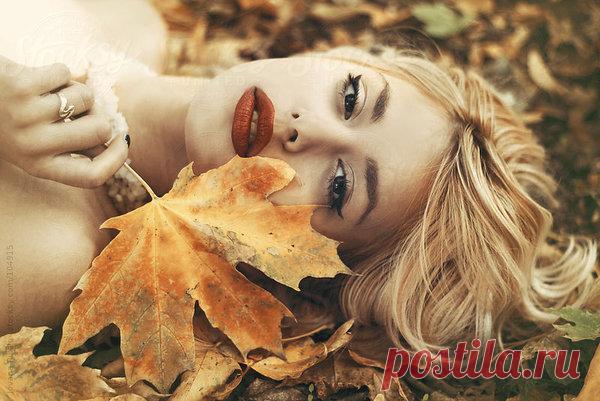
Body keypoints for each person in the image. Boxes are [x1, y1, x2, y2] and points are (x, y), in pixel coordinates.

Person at [0, 0, 597, 355]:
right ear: (346, 59)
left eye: (339, 186)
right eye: (352, 97)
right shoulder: (133, 22)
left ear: (300, 264)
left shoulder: (47, 253)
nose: (303, 130)